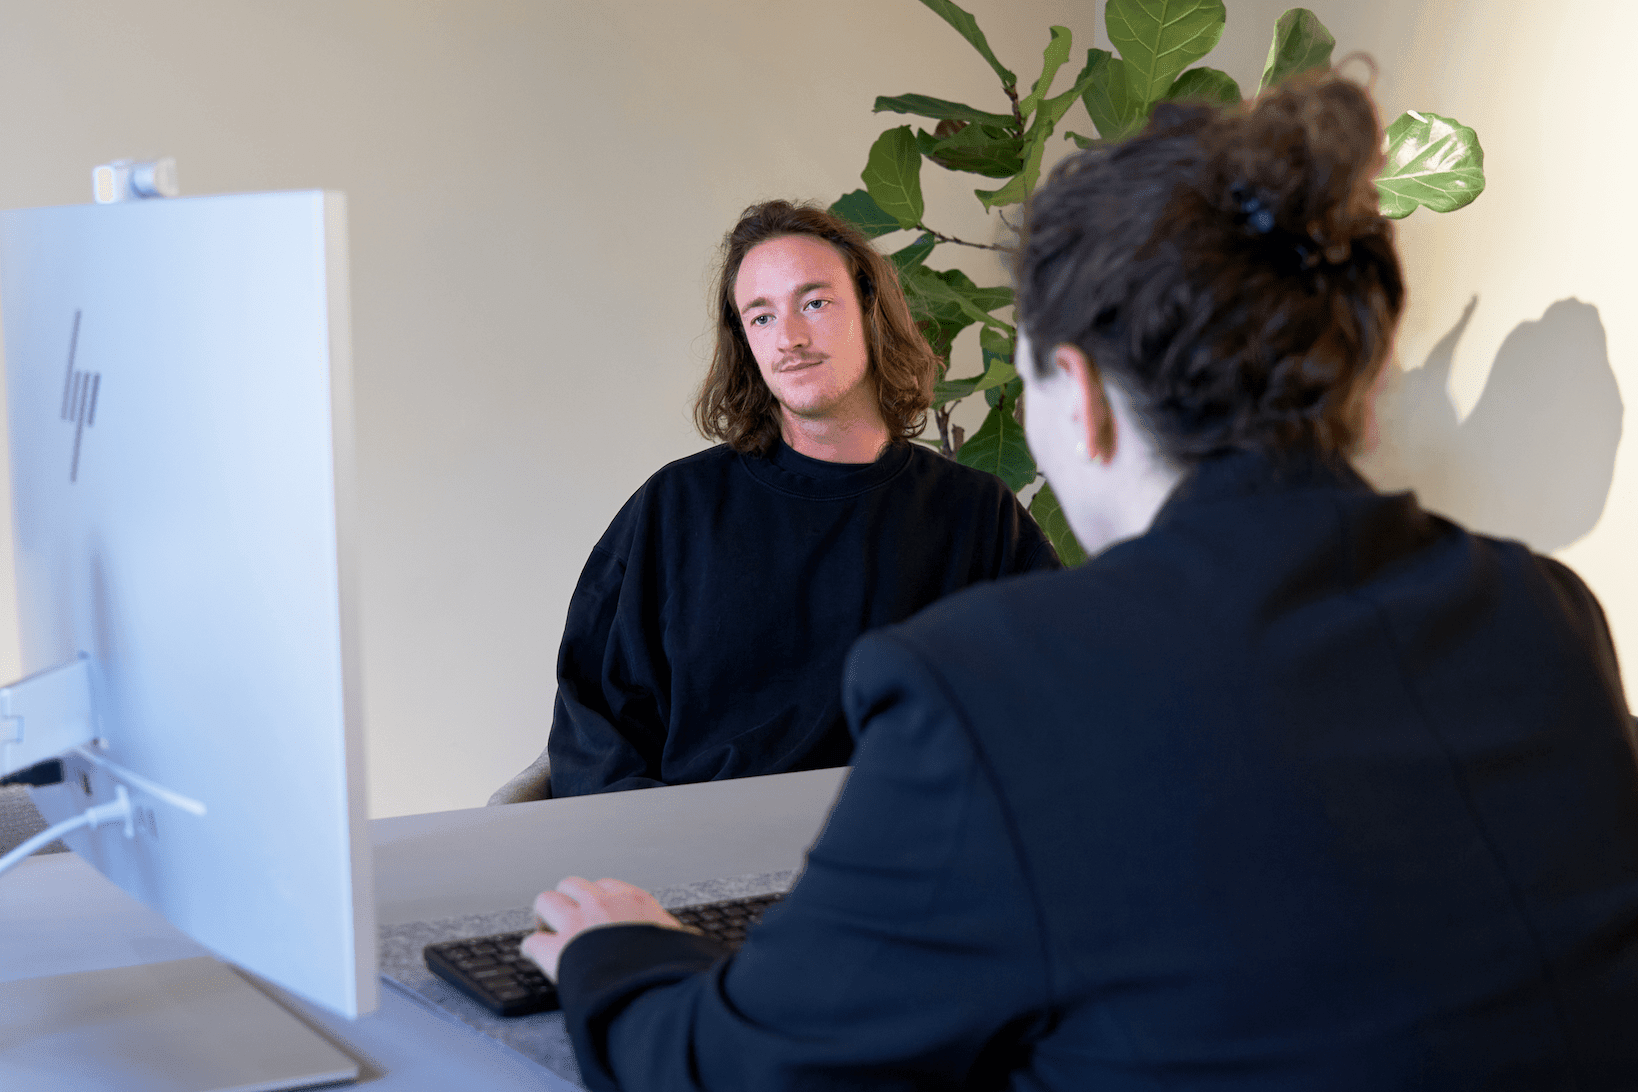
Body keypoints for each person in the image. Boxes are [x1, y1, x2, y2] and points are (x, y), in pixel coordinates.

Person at [521, 72, 1638, 1089]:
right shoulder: (1547, 617)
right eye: (758, 314)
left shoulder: (993, 683)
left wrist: (614, 952)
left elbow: (734, 1068)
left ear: (1080, 396)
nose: (787, 334)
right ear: (1361, 376)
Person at [539, 200, 1058, 798]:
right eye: (760, 317)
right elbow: (594, 732)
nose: (789, 338)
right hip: (704, 856)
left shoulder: (976, 516)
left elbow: (1052, 704)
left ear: (869, 309)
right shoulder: (674, 509)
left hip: (910, 852)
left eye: (814, 302)